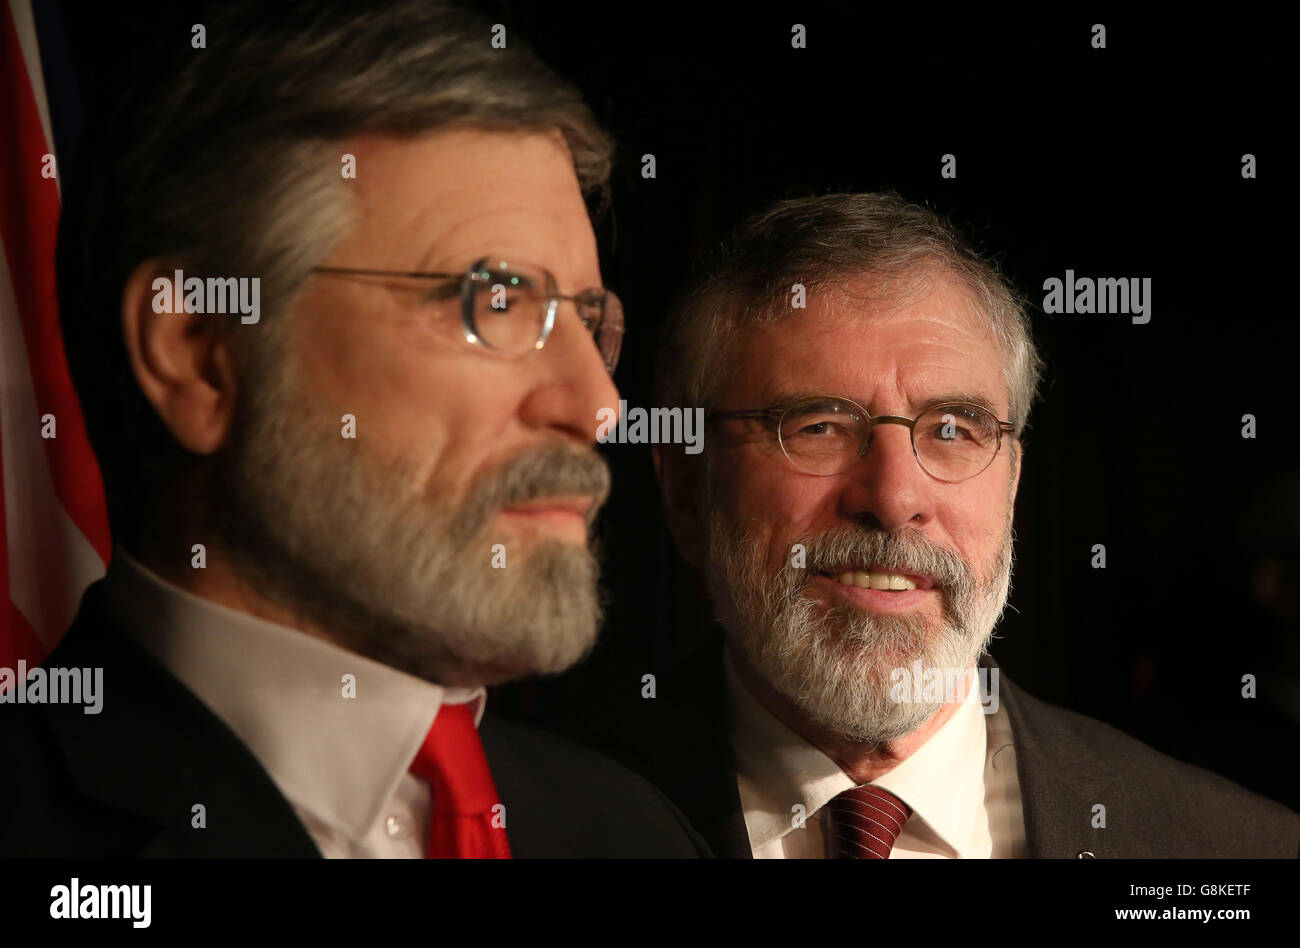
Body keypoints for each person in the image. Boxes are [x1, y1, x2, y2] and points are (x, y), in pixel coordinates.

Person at [0, 0, 706, 858]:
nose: (599, 407)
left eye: (588, 319)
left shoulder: (629, 833)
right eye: (496, 302)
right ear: (199, 351)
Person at [578, 191, 1300, 858]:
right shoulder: (535, 819)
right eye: (818, 425)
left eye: (954, 429)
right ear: (684, 490)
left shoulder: (1230, 846)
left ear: (1012, 483)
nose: (895, 497)